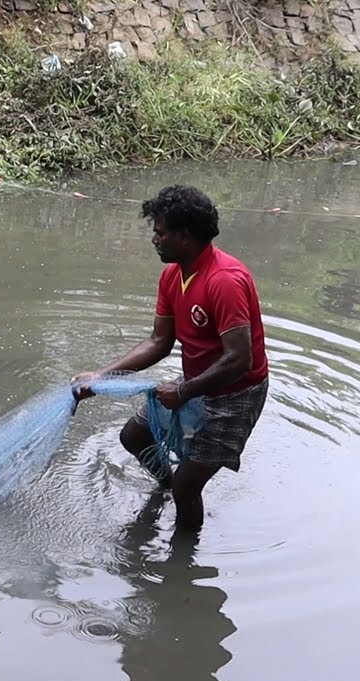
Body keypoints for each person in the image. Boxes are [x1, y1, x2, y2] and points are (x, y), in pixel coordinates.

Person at [71, 184, 269, 532]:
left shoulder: (224, 281)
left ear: (185, 237)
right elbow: (159, 342)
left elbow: (240, 359)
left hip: (235, 394)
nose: (154, 239)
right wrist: (101, 376)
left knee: (187, 487)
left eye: (160, 233)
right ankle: (166, 487)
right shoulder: (172, 275)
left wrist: (183, 392)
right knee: (133, 438)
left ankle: (182, 568)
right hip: (196, 383)